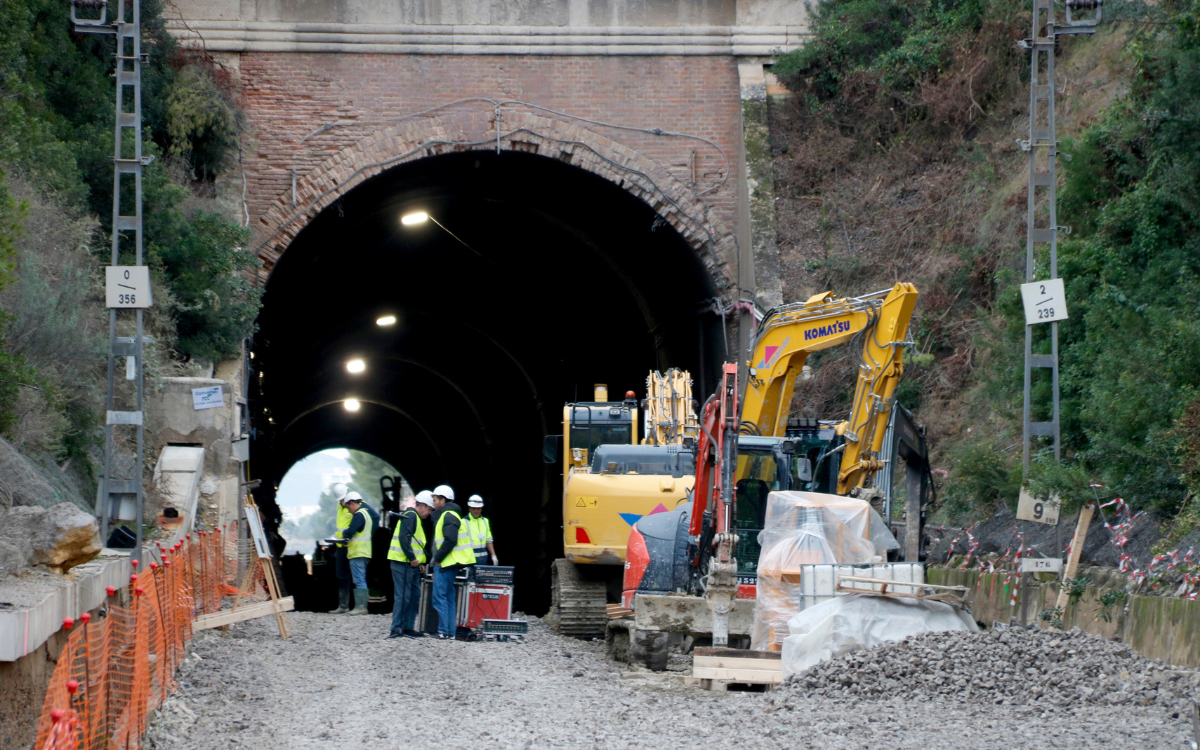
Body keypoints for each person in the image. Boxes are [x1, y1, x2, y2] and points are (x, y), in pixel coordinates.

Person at [429, 484, 474, 639]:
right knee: (447, 597)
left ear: (443, 500)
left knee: (440, 597)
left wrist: (437, 559)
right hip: (449, 563)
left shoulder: (448, 516)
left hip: (446, 564)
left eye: (435, 500)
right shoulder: (450, 515)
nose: (433, 503)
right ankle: (450, 632)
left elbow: (450, 540)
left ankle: (444, 632)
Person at [388, 490, 433, 639]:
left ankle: (407, 627)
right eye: (429, 509)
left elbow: (414, 543)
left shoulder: (415, 518)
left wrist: (419, 562)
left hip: (411, 564)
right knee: (403, 597)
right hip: (403, 563)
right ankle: (397, 629)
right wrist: (412, 558)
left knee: (414, 595)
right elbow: (404, 538)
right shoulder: (411, 516)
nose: (430, 513)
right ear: (422, 505)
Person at [335, 491, 379, 615]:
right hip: (364, 552)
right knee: (360, 578)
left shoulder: (359, 514)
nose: (348, 510)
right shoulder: (366, 514)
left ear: (352, 503)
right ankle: (361, 606)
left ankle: (361, 607)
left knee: (359, 579)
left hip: (358, 552)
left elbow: (351, 531)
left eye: (348, 507)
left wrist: (344, 535)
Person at [331, 483, 352, 613]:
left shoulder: (355, 505)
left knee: (356, 576)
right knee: (341, 575)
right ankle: (343, 606)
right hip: (340, 546)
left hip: (351, 545)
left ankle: (356, 605)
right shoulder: (339, 506)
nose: (343, 501)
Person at [464, 494, 498, 567]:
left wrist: (493, 556)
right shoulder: (463, 522)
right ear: (469, 508)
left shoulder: (485, 521)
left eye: (478, 508)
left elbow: (489, 540)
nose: (476, 510)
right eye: (474, 508)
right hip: (469, 561)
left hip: (483, 561)